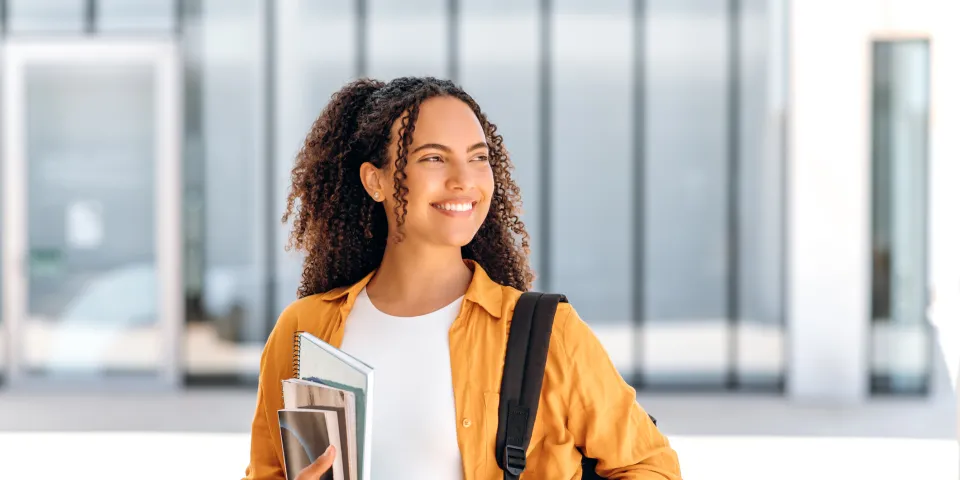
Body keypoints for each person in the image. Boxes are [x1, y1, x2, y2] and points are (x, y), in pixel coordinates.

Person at [243, 76, 682, 480]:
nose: (464, 181)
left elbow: (651, 466)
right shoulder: (303, 332)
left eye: (478, 158)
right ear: (374, 181)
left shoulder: (545, 334)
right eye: (433, 158)